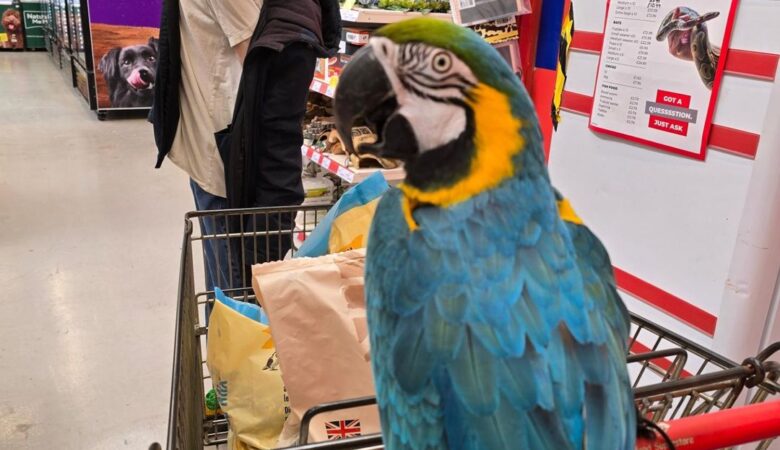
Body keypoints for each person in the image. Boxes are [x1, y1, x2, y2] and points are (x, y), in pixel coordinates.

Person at [221, 0, 341, 268]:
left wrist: (262, 255)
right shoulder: (291, 20)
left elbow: (280, 144)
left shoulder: (289, 24)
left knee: (239, 295)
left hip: (253, 206)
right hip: (234, 179)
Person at [151, 0, 261, 291]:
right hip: (227, 153)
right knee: (238, 290)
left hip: (211, 143)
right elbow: (260, 63)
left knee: (222, 281)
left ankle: (220, 332)